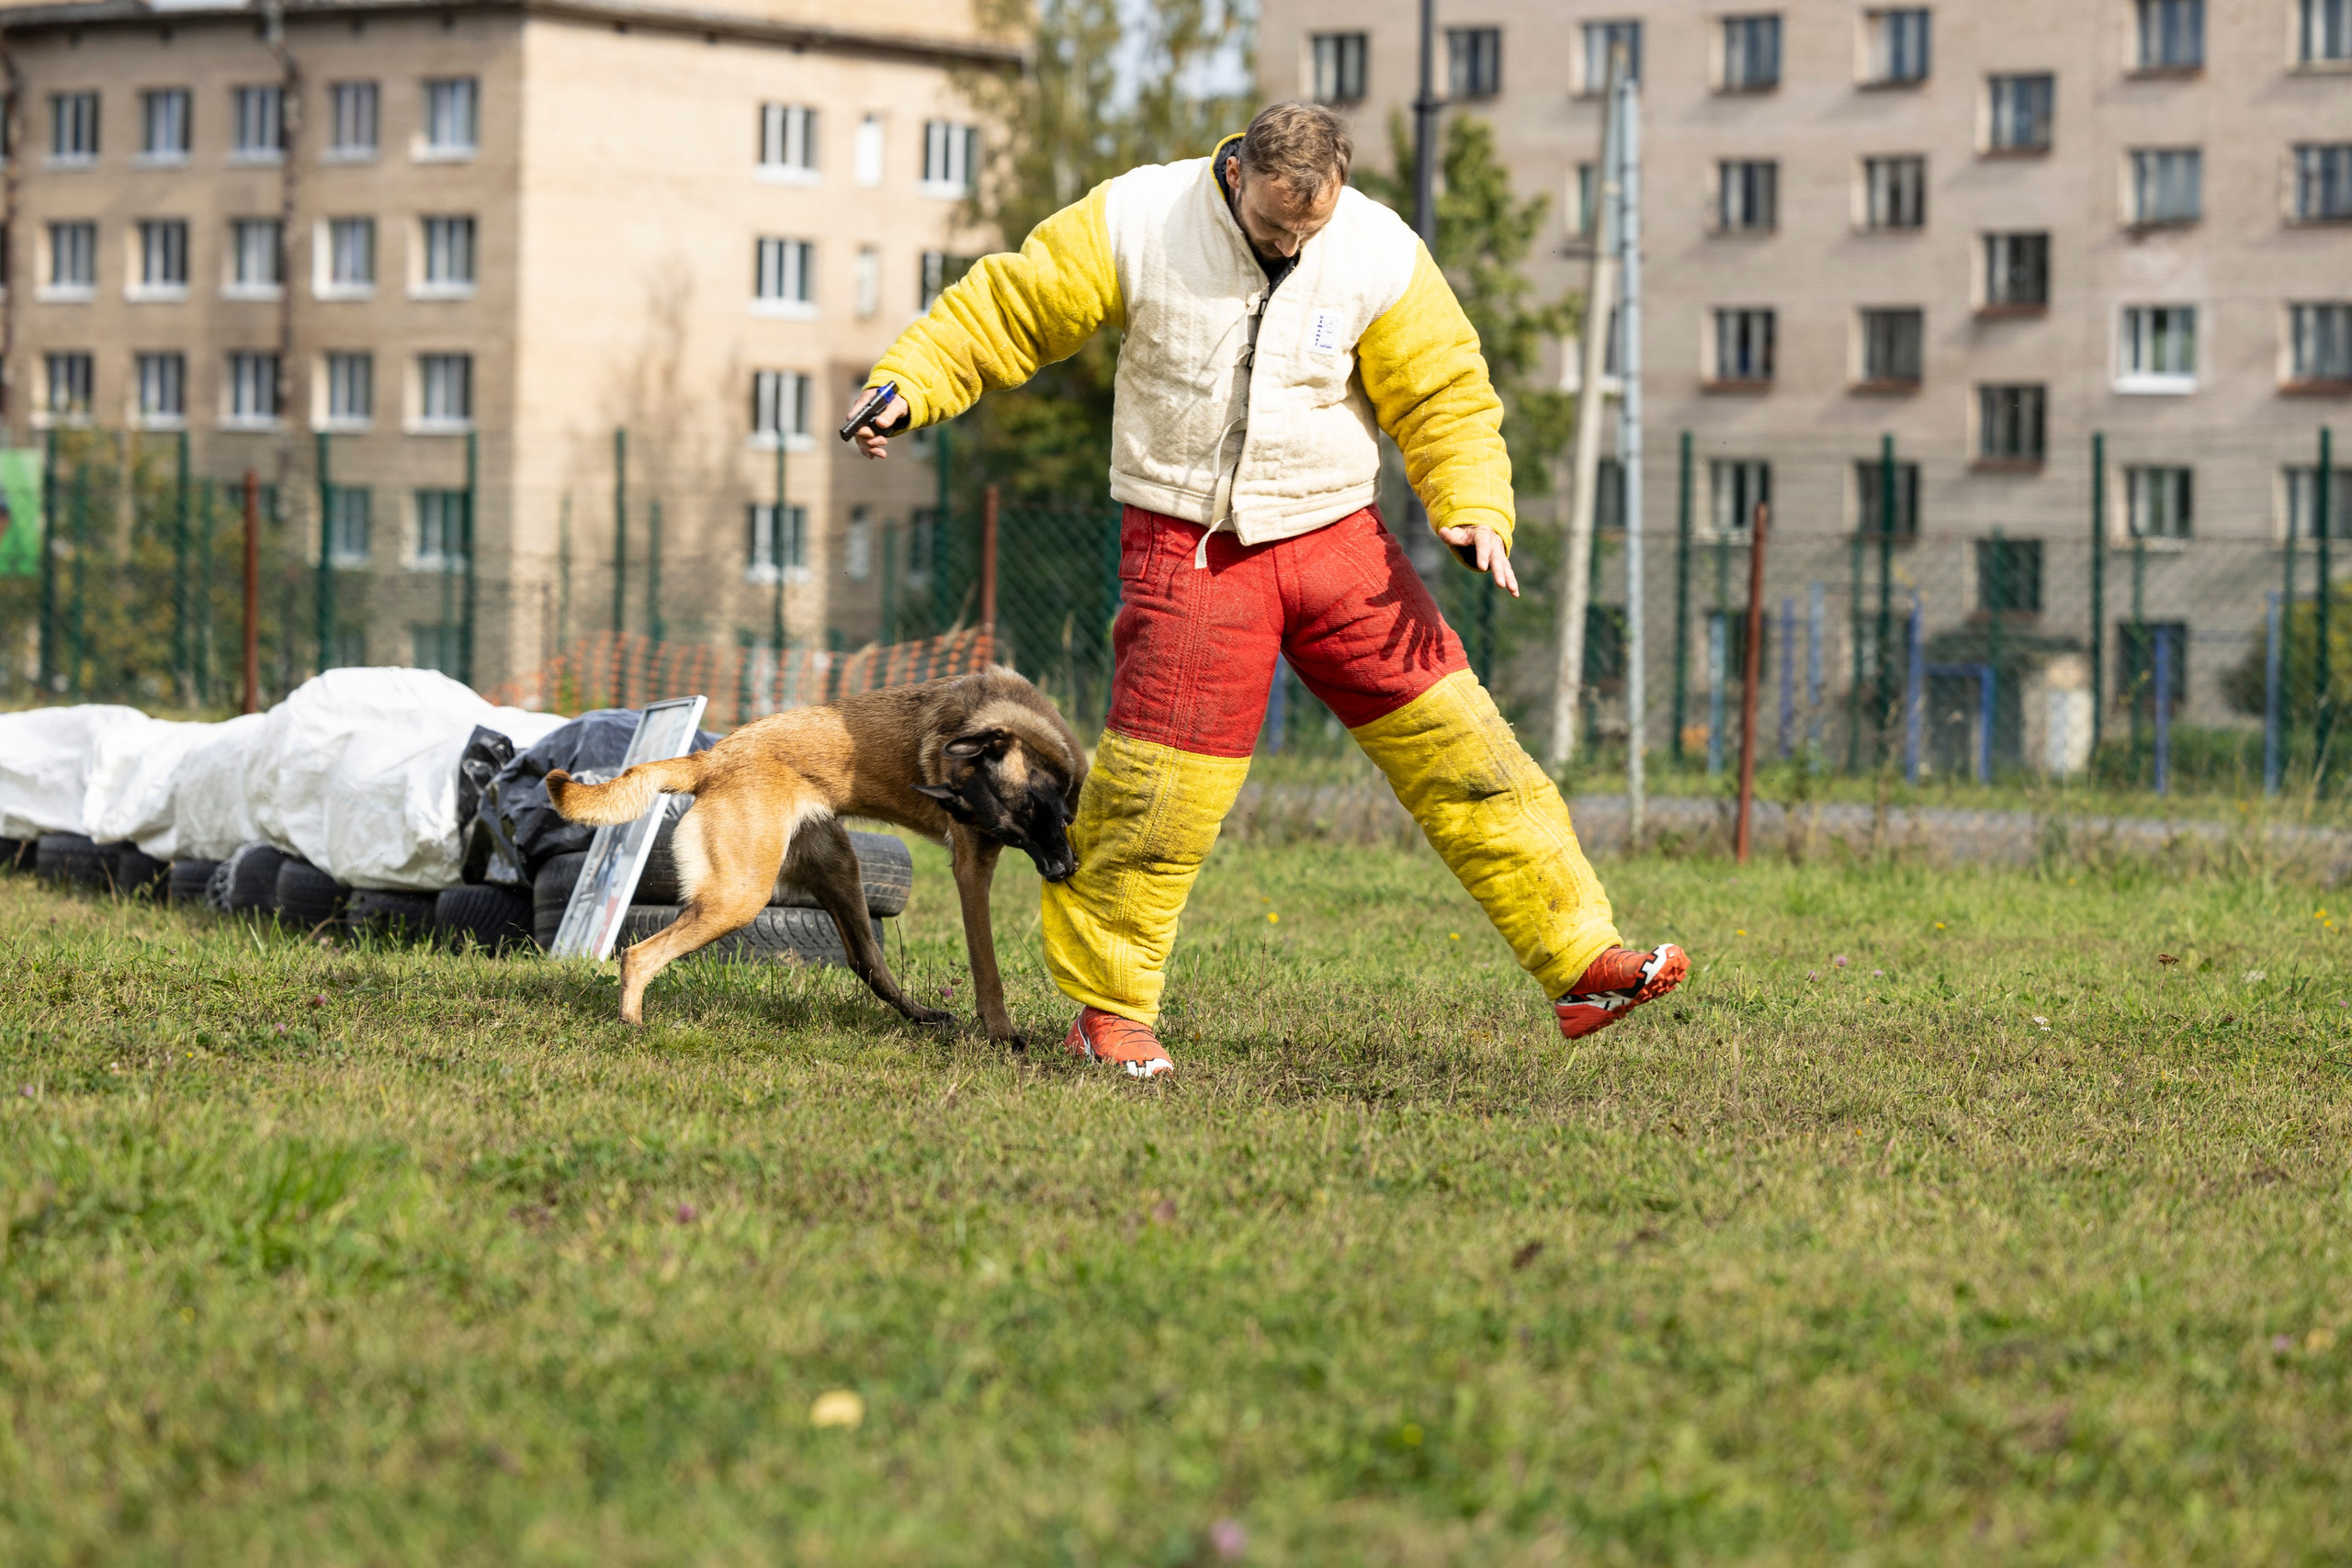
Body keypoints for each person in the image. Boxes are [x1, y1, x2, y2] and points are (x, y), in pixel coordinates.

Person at [847, 101, 1685, 1077]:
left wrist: (1472, 505)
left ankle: (1582, 963)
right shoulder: (1138, 220)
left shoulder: (1377, 247)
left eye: (1310, 228)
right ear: (1236, 171)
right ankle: (1108, 1014)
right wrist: (910, 383)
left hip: (1341, 542)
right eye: (1275, 225)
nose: (1292, 244)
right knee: (1158, 800)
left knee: (1471, 753)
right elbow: (1011, 307)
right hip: (1188, 548)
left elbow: (1442, 389)